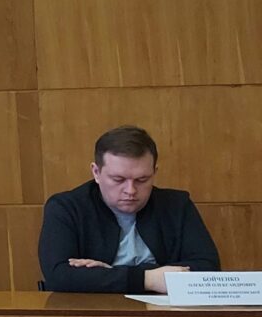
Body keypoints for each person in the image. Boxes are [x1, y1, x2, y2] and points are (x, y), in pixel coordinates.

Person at [38, 125, 219, 294]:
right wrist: (148, 279)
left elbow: (208, 269)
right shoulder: (66, 208)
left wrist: (108, 275)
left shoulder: (177, 205)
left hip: (165, 313)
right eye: (118, 179)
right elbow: (58, 276)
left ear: (154, 173)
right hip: (93, 312)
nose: (130, 190)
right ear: (96, 173)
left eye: (142, 180)